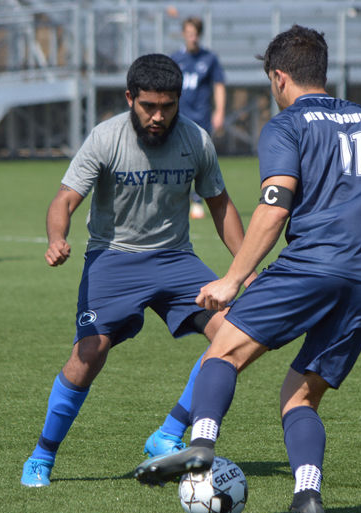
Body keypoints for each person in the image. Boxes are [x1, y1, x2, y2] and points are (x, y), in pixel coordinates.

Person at [134, 25, 361, 513]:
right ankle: (307, 499)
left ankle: (201, 446)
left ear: (279, 78)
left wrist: (234, 277)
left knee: (223, 353)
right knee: (300, 396)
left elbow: (274, 205)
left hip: (311, 267)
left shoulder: (286, 126)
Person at [21, 53, 254, 487]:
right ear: (130, 98)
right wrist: (57, 237)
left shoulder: (196, 140)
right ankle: (41, 456)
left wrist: (244, 270)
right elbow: (65, 199)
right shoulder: (105, 138)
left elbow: (219, 205)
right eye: (148, 106)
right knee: (89, 354)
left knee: (234, 335)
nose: (158, 116)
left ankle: (167, 434)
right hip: (113, 257)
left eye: (167, 106)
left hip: (175, 259)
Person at [171, 16, 227, 220]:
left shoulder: (209, 58)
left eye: (195, 34)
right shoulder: (175, 59)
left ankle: (197, 200)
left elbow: (218, 85)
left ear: (199, 35)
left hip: (201, 117)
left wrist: (219, 111)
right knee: (176, 158)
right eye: (188, 33)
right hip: (178, 118)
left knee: (200, 160)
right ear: (184, 34)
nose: (192, 38)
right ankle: (178, 198)